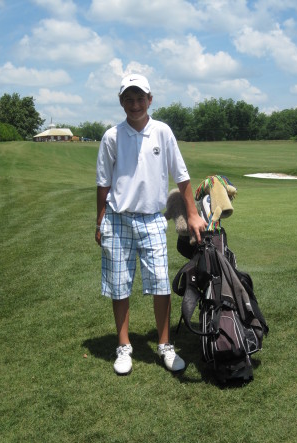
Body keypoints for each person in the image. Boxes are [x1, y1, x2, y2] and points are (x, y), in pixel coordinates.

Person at [95, 74, 207, 375]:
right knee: (120, 286)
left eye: (140, 98)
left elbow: (181, 177)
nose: (135, 104)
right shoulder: (111, 137)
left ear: (150, 99)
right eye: (128, 99)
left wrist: (193, 214)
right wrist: (99, 220)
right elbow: (103, 183)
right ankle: (123, 346)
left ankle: (165, 345)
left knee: (160, 285)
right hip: (118, 220)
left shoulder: (163, 132)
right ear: (121, 102)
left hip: (153, 220)